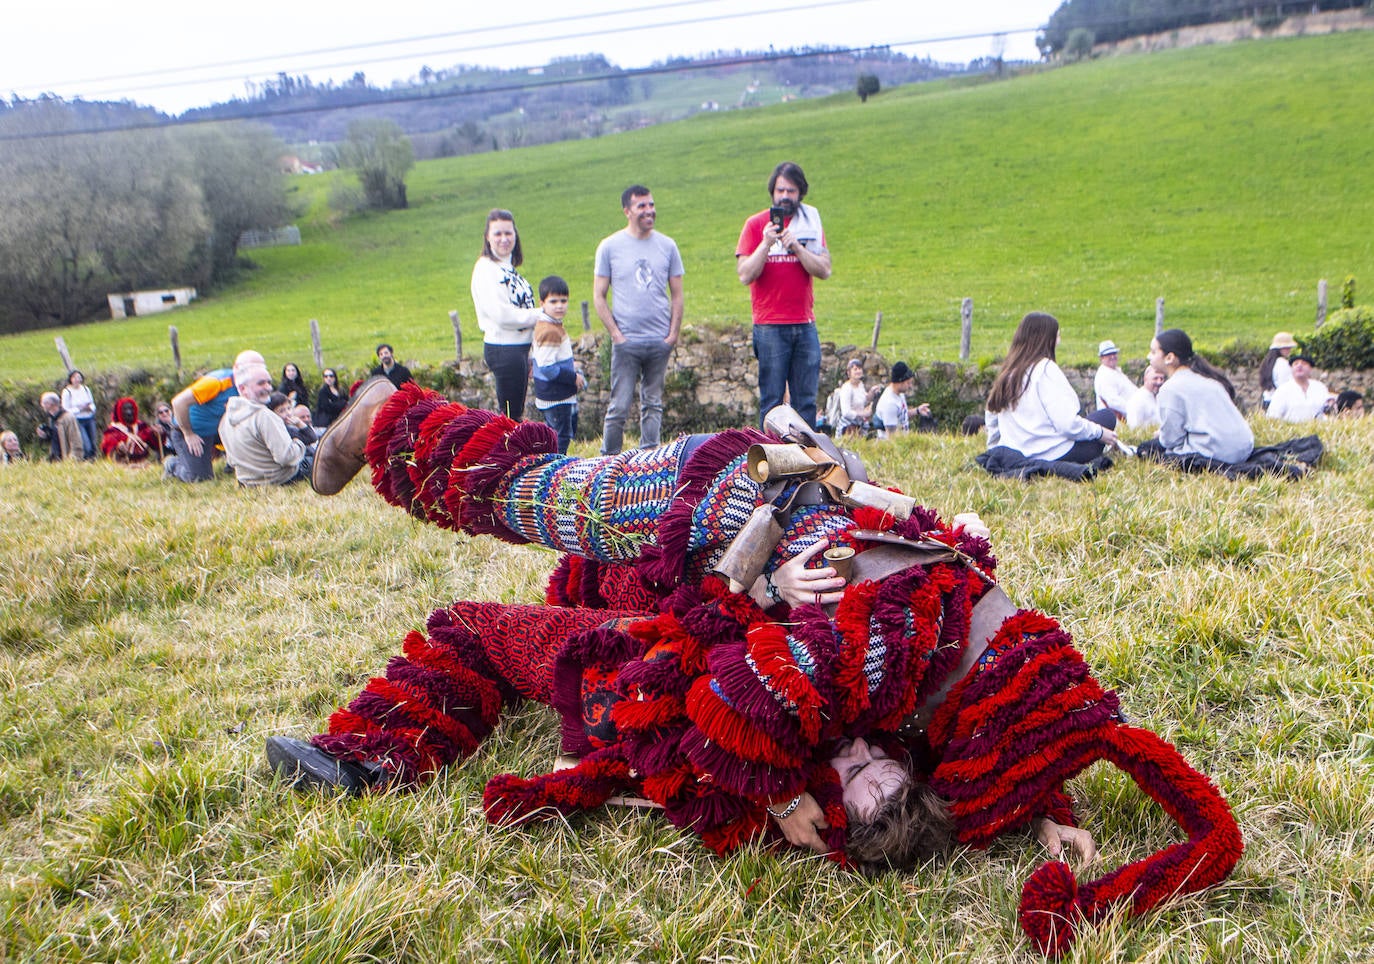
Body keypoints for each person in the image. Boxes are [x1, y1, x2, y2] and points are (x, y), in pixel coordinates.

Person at [276, 383, 1242, 957]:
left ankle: (375, 744)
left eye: (858, 777)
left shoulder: (973, 664)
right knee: (535, 494)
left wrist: (1051, 817)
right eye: (879, 772)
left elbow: (1038, 729)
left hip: (748, 539)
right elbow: (733, 711)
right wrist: (783, 799)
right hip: (713, 496)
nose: (862, 757)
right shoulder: (874, 657)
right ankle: (386, 416)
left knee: (524, 624)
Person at [736, 161, 832, 428]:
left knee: (806, 401)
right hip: (770, 325)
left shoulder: (810, 223)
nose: (785, 196)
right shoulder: (755, 225)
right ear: (772, 192)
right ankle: (769, 457)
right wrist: (767, 243)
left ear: (800, 192)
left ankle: (808, 458)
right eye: (780, 190)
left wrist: (797, 248)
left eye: (791, 190)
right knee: (772, 400)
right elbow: (745, 274)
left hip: (804, 323)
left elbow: (824, 270)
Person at [594, 185, 684, 454]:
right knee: (619, 407)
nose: (650, 211)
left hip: (659, 340)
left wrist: (673, 334)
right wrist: (616, 334)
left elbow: (677, 294)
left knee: (653, 403)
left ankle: (649, 458)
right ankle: (608, 461)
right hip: (627, 342)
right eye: (642, 206)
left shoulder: (667, 246)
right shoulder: (610, 247)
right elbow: (598, 295)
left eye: (651, 205)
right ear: (627, 211)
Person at [979, 313, 1117, 479]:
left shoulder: (1009, 371)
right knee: (1106, 417)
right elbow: (1067, 425)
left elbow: (992, 414)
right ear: (1047, 339)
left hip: (1015, 454)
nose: (1059, 341)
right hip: (1053, 453)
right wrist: (1100, 432)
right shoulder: (1046, 369)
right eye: (1057, 335)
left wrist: (996, 450)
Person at [1141, 329, 1253, 464]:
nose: (1149, 356)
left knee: (1147, 449)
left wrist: (1161, 436)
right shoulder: (1209, 381)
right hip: (1245, 448)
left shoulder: (1170, 389)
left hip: (1217, 454)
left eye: (1153, 352)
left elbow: (1171, 440)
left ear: (1169, 358)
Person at [472, 209, 542, 420]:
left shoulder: (507, 268)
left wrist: (530, 352)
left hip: (519, 349)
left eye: (508, 233)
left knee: (515, 415)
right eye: (498, 234)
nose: (504, 239)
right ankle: (506, 453)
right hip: (504, 349)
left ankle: (515, 452)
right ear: (487, 237)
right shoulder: (486, 269)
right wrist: (541, 314)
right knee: (510, 418)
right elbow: (502, 315)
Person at [165, 349, 264, 483]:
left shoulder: (255, 384)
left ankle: (235, 464)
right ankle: (173, 465)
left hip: (220, 429)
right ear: (236, 368)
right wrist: (188, 433)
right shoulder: (216, 382)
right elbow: (178, 402)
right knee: (198, 478)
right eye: (249, 368)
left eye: (258, 368)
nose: (253, 372)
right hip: (193, 431)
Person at [219, 364, 311, 486]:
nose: (268, 387)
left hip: (246, 481)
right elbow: (286, 457)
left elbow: (231, 461)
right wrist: (298, 443)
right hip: (280, 478)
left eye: (269, 382)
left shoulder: (226, 419)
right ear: (242, 389)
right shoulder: (265, 416)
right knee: (322, 459)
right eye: (261, 383)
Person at [531, 275, 584, 455]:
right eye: (553, 301)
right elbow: (547, 368)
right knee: (562, 435)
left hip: (551, 393)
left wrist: (571, 365)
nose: (560, 305)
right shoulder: (550, 331)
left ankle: (551, 463)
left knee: (555, 433)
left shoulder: (548, 324)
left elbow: (550, 357)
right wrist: (573, 377)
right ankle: (556, 467)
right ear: (542, 303)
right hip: (556, 395)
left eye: (564, 301)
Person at [1266, 354, 1332, 423]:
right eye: (1296, 364)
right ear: (1291, 369)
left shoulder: (1320, 387)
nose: (1299, 366)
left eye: (1304, 364)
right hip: (1291, 431)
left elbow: (1328, 410)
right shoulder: (1283, 390)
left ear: (1310, 368)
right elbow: (1272, 417)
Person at [873, 362, 932, 438]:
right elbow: (891, 436)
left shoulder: (900, 394)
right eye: (908, 383)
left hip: (903, 440)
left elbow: (901, 415)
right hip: (894, 445)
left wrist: (917, 410)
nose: (910, 386)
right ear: (899, 382)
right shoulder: (890, 403)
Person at [99, 396, 158, 463]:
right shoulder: (113, 431)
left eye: (131, 408)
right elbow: (108, 449)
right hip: (123, 466)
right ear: (119, 412)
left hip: (144, 464)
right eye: (125, 409)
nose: (129, 412)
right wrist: (118, 449)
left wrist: (157, 434)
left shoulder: (141, 426)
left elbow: (154, 443)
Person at [60, 369, 98, 459]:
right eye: (74, 377)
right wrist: (79, 409)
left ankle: (93, 459)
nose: (77, 379)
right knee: (86, 443)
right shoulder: (67, 392)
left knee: (93, 441)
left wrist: (90, 408)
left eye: (79, 377)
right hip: (78, 420)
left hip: (89, 418)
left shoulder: (85, 389)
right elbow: (65, 408)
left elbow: (92, 403)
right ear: (70, 379)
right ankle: (86, 459)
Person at [1093, 340, 1135, 419]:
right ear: (1101, 358)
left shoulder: (1116, 371)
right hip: (1117, 422)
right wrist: (1134, 410)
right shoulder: (1104, 376)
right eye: (1108, 354)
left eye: (1114, 353)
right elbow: (1113, 401)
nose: (1112, 357)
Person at [37, 391, 83, 461]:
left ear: (52, 404)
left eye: (44, 403)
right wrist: (44, 435)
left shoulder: (68, 418)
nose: (42, 405)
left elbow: (75, 439)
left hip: (66, 458)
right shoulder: (51, 418)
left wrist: (73, 459)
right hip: (55, 458)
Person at [832, 358, 873, 436]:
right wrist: (862, 414)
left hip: (860, 425)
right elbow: (846, 412)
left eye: (860, 369)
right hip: (848, 428)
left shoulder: (861, 385)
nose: (858, 371)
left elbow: (864, 400)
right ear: (849, 373)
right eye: (855, 369)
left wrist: (872, 392)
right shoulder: (846, 388)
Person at [1259, 331, 1297, 409]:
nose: (1289, 350)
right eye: (1286, 348)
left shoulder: (1267, 362)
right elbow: (1284, 385)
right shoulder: (1282, 363)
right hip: (1278, 402)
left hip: (1267, 399)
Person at [1125, 366, 1166, 430]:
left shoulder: (1161, 397)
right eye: (1155, 378)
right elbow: (1134, 428)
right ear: (1145, 379)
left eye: (1161, 379)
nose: (1159, 382)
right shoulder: (1137, 400)